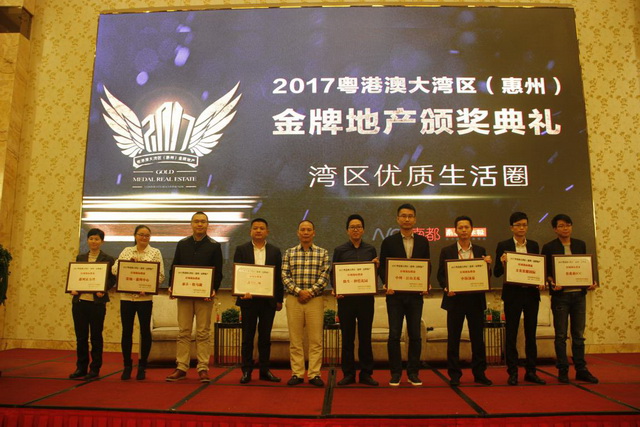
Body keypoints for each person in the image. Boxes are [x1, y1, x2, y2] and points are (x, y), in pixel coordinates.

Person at [166, 212, 223, 383]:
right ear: (191, 224)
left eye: (203, 222)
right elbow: (174, 266)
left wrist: (213, 289)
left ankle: (203, 368)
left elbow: (218, 271)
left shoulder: (214, 246)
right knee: (183, 331)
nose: (200, 224)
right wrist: (172, 286)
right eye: (196, 221)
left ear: (207, 224)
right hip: (184, 295)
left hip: (204, 297)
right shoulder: (182, 244)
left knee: (203, 333)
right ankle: (181, 367)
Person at [541, 214, 598, 384]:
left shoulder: (580, 244)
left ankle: (581, 369)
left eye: (568, 225)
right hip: (561, 297)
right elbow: (545, 272)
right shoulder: (549, 247)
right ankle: (563, 370)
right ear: (555, 229)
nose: (565, 228)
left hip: (579, 295)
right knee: (560, 335)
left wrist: (591, 281)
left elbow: (586, 267)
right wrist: (552, 282)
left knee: (578, 335)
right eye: (561, 226)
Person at [378, 204, 430, 387]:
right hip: (395, 296)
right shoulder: (388, 241)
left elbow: (427, 265)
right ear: (397, 219)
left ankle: (413, 373)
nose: (407, 219)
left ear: (415, 219)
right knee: (394, 334)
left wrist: (425, 283)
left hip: (415, 296)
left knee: (415, 334)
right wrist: (386, 283)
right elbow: (383, 267)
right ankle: (395, 373)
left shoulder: (423, 241)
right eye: (403, 216)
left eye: (410, 216)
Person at [438, 215, 492, 386]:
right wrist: (447, 287)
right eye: (460, 227)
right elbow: (441, 275)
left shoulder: (481, 250)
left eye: (466, 227)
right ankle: (454, 374)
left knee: (478, 339)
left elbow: (486, 277)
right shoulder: (447, 251)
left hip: (475, 301)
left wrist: (487, 265)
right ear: (455, 230)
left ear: (471, 230)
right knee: (453, 339)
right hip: (455, 301)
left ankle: (479, 373)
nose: (463, 230)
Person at [494, 212, 546, 386]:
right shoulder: (504, 245)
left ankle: (531, 371)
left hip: (531, 295)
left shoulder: (534, 245)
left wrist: (541, 280)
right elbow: (496, 273)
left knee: (531, 334)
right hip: (513, 296)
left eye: (524, 225)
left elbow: (538, 269)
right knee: (511, 334)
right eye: (518, 225)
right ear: (511, 227)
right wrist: (502, 262)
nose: (521, 228)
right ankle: (513, 372)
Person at [112, 225, 165, 380]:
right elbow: (114, 270)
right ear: (135, 236)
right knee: (126, 331)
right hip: (127, 298)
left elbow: (160, 276)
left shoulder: (155, 252)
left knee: (145, 331)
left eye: (147, 235)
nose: (144, 238)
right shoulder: (127, 251)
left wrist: (148, 288)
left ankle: (142, 366)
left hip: (145, 298)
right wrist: (127, 263)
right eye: (141, 234)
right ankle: (127, 366)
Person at [234, 218, 283, 384]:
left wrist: (279, 299)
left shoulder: (275, 251)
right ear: (250, 231)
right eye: (255, 228)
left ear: (267, 231)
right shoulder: (241, 249)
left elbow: (278, 277)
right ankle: (246, 371)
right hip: (248, 300)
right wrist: (241, 292)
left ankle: (264, 370)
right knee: (247, 337)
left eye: (262, 228)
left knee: (265, 338)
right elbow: (238, 273)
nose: (258, 231)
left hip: (268, 302)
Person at [282, 220, 330, 387]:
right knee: (296, 340)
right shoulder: (289, 253)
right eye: (303, 229)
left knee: (316, 340)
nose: (306, 232)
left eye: (309, 230)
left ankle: (314, 374)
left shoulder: (323, 253)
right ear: (298, 233)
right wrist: (298, 291)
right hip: (294, 299)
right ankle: (297, 373)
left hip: (315, 300)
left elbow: (325, 276)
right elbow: (284, 275)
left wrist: (309, 292)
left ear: (314, 233)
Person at [333, 214, 379, 386]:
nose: (356, 230)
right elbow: (333, 273)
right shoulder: (340, 250)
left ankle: (366, 373)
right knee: (347, 338)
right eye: (352, 227)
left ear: (363, 230)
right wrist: (336, 289)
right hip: (346, 301)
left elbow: (373, 274)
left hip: (366, 300)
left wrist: (376, 267)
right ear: (347, 230)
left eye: (358, 227)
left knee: (365, 338)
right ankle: (348, 374)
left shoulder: (370, 249)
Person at [69, 228, 116, 380]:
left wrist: (104, 289)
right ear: (87, 240)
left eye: (97, 239)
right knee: (81, 337)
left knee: (96, 337)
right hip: (80, 302)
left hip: (97, 304)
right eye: (91, 238)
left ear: (102, 241)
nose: (93, 241)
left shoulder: (108, 259)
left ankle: (95, 368)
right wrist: (73, 288)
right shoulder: (80, 257)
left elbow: (112, 279)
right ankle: (81, 368)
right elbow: (76, 276)